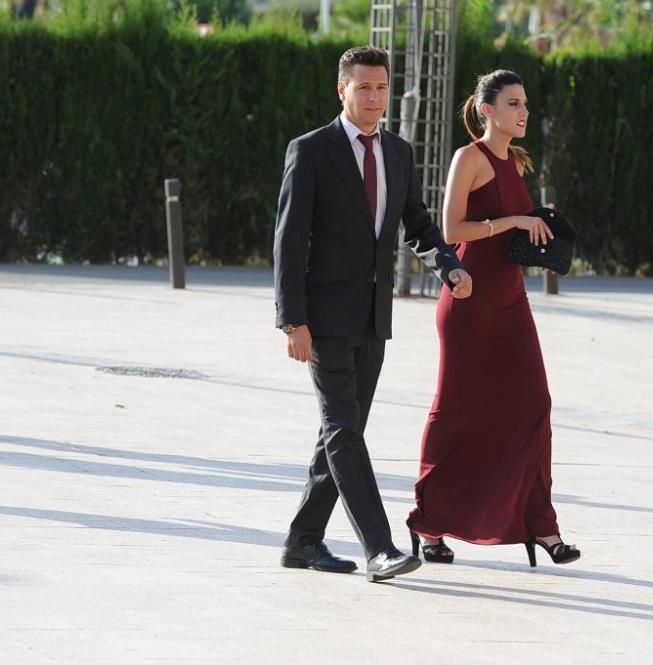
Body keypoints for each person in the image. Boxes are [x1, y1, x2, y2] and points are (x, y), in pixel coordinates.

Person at [273, 46, 473, 582]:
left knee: (343, 433)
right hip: (325, 317)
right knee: (343, 430)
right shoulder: (311, 150)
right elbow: (288, 241)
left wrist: (447, 266)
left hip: (374, 317)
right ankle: (380, 548)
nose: (373, 97)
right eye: (362, 87)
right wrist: (293, 321)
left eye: (381, 87)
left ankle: (303, 540)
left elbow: (419, 225)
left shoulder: (399, 153)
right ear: (342, 90)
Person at [406, 70, 581, 568]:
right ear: (487, 110)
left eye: (525, 103)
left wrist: (540, 230)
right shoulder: (471, 158)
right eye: (513, 103)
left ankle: (541, 526)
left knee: (533, 406)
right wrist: (513, 221)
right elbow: (450, 228)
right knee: (456, 413)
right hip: (468, 300)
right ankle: (430, 523)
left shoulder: (515, 162)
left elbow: (513, 234)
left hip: (510, 300)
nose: (523, 111)